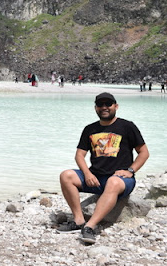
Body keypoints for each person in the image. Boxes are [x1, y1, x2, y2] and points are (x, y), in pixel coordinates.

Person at [58, 92, 149, 244]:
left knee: (113, 182)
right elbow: (79, 155)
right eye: (100, 105)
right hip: (96, 177)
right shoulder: (90, 129)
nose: (104, 107)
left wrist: (131, 171)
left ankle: (90, 227)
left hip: (121, 180)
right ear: (96, 108)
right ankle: (79, 221)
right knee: (66, 175)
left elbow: (144, 152)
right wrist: (87, 173)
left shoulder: (127, 126)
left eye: (108, 104)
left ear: (116, 106)